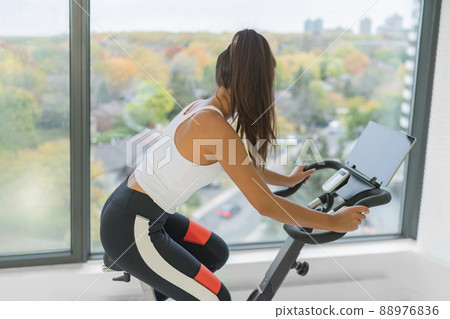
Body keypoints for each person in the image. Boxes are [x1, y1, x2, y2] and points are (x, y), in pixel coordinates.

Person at [100, 29, 369, 301]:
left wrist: (287, 180)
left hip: (138, 209)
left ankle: (158, 290)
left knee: (214, 253)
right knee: (217, 300)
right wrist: (333, 222)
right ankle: (146, 272)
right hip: (132, 224)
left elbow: (240, 165)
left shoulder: (205, 109)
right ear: (254, 85)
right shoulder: (212, 123)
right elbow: (264, 205)